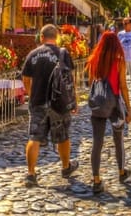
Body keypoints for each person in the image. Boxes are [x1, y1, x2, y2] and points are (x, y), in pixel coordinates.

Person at [20, 24, 78, 187]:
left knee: (34, 137)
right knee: (63, 136)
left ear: (41, 37)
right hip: (59, 102)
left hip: (38, 101)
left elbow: (25, 79)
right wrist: (74, 100)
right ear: (57, 37)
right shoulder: (62, 54)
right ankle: (66, 167)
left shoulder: (33, 54)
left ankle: (31, 174)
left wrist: (32, 94)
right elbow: (70, 80)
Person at [85, 31, 131, 193]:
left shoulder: (93, 60)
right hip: (114, 104)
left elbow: (91, 84)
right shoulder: (119, 61)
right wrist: (128, 109)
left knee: (97, 142)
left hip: (98, 104)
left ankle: (96, 180)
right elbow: (123, 86)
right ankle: (121, 171)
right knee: (118, 139)